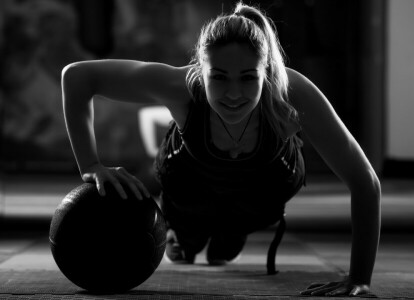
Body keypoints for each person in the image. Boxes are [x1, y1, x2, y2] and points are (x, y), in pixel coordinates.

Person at [62, 2, 380, 297]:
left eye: (247, 78)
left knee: (225, 246)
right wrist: (91, 164)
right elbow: (76, 76)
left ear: (266, 71)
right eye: (219, 77)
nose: (233, 93)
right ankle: (183, 235)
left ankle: (231, 235)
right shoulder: (182, 87)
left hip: (260, 195)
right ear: (202, 69)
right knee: (188, 233)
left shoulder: (291, 94)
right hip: (190, 186)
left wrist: (359, 279)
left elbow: (364, 180)